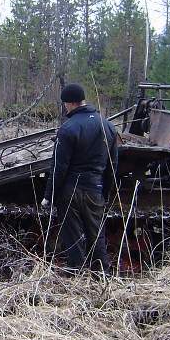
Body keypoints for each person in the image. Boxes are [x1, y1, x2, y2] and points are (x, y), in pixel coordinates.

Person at [41, 82, 120, 272]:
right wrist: (105, 193)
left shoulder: (68, 128)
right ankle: (102, 274)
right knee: (96, 235)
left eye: (65, 104)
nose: (65, 107)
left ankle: (76, 274)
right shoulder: (108, 126)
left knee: (73, 236)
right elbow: (112, 166)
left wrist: (49, 196)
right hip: (95, 189)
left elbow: (59, 167)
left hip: (71, 190)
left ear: (69, 103)